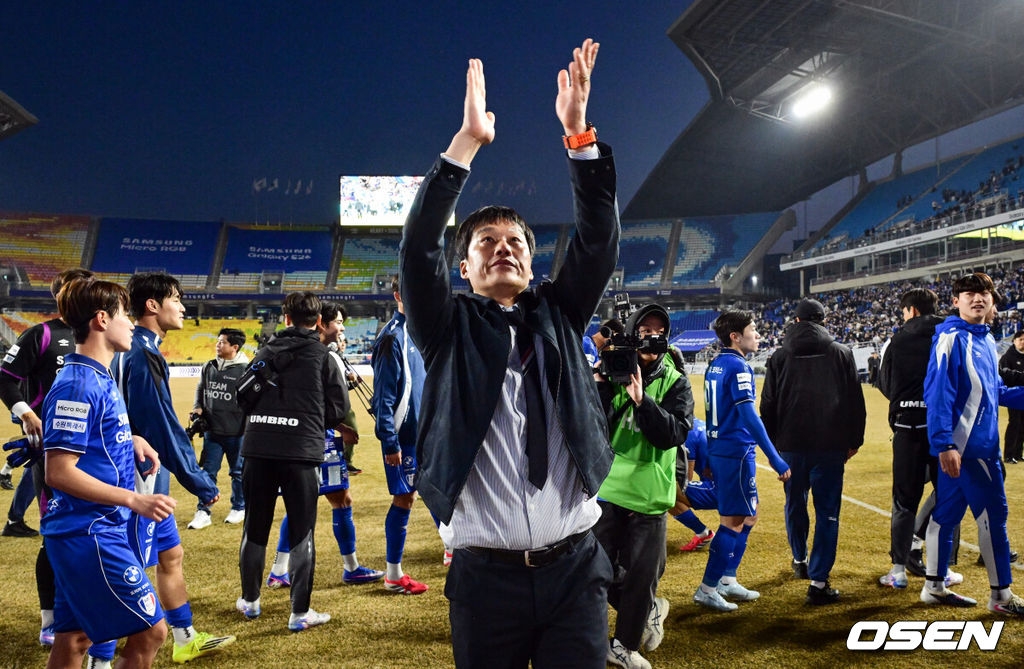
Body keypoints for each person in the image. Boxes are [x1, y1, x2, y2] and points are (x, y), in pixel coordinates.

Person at [401, 40, 617, 668]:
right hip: (484, 579)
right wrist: (465, 144)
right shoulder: (446, 326)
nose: (504, 249)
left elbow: (598, 241)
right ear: (463, 269)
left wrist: (578, 138)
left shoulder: (560, 310)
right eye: (486, 243)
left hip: (575, 569)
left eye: (516, 241)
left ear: (531, 257)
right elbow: (416, 251)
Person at [41, 277, 173, 669]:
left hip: (87, 531)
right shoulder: (79, 383)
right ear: (101, 320)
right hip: (89, 533)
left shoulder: (97, 376)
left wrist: (128, 438)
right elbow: (59, 472)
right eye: (124, 315)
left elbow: (88, 439)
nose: (132, 323)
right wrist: (135, 499)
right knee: (151, 631)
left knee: (74, 639)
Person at [111, 272, 234, 663]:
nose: (182, 306)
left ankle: (185, 637)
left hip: (150, 475)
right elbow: (159, 427)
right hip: (139, 477)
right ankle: (99, 654)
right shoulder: (141, 352)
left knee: (171, 555)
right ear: (152, 305)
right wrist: (198, 479)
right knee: (125, 567)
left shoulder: (136, 348)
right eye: (176, 299)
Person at [235, 292, 350, 631]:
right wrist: (312, 421)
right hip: (301, 453)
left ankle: (251, 602)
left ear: (285, 317)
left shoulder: (264, 351)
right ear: (317, 321)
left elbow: (243, 398)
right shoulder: (324, 356)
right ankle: (299, 613)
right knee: (302, 532)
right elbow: (339, 408)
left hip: (258, 447)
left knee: (254, 526)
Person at [593, 303, 693, 668]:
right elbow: (593, 429)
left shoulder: (676, 381)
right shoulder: (614, 367)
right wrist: (602, 387)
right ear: (633, 333)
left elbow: (673, 435)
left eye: (659, 329)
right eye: (645, 329)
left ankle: (624, 644)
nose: (652, 335)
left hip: (650, 493)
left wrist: (642, 401)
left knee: (643, 574)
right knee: (597, 569)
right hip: (607, 488)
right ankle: (641, 613)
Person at [921, 272, 1024, 614]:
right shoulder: (952, 338)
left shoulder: (985, 340)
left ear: (992, 301)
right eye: (969, 293)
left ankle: (934, 587)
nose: (978, 298)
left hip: (970, 448)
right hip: (969, 450)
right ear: (956, 301)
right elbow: (937, 393)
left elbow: (996, 392)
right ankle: (1002, 597)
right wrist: (944, 444)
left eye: (984, 293)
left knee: (945, 516)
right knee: (993, 517)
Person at [0, 268, 92, 646]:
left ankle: (87, 611)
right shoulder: (42, 334)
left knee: (94, 534)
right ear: (62, 295)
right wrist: (26, 412)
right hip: (51, 451)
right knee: (55, 536)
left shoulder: (101, 336)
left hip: (97, 452)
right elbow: (5, 376)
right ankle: (50, 620)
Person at [264, 301, 384, 589]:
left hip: (306, 437)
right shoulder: (319, 355)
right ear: (321, 323)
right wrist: (339, 426)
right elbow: (318, 402)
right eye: (338, 322)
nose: (342, 327)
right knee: (329, 502)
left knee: (312, 502)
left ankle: (282, 569)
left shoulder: (302, 352)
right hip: (318, 439)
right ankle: (348, 568)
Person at [760, 298, 866, 605]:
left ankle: (799, 559)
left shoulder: (779, 356)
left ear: (795, 322)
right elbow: (854, 402)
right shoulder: (842, 353)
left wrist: (773, 447)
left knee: (795, 503)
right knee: (828, 511)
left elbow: (767, 405)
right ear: (823, 321)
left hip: (791, 447)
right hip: (831, 446)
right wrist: (853, 440)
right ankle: (819, 582)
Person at [696, 310, 790, 613]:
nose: (758, 335)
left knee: (749, 516)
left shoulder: (717, 363)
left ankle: (726, 578)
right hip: (735, 451)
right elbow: (749, 416)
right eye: (753, 330)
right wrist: (775, 458)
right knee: (734, 521)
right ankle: (707, 589)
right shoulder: (737, 366)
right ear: (735, 336)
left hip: (724, 449)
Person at [876, 288, 950, 588]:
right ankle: (938, 567)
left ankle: (898, 570)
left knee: (904, 501)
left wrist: (907, 400)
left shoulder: (896, 340)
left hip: (907, 428)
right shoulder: (950, 334)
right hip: (943, 426)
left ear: (912, 311)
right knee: (946, 495)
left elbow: (884, 384)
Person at [371, 277, 429, 594]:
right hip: (403, 439)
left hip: (424, 435)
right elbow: (383, 398)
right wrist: (389, 441)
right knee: (403, 499)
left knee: (416, 496)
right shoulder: (392, 338)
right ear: (398, 295)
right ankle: (393, 575)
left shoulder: (420, 332)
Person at [187, 328, 249, 529]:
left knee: (238, 472)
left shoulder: (245, 369)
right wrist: (198, 405)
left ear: (234, 347)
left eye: (222, 342)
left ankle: (239, 508)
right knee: (208, 472)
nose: (218, 344)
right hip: (212, 431)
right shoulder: (209, 366)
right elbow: (200, 387)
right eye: (218, 341)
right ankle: (203, 511)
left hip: (237, 433)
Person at [672, 418, 714, 551]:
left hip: (718, 489)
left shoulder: (687, 433)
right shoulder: (700, 423)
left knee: (665, 492)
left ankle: (702, 533)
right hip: (732, 487)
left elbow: (685, 479)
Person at [999, 329, 1024, 464]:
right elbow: (1004, 377)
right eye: (1020, 339)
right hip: (1013, 396)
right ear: (1014, 341)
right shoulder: (1007, 357)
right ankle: (1009, 455)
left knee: (1023, 425)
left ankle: (1019, 453)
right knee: (1014, 424)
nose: (1023, 342)